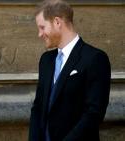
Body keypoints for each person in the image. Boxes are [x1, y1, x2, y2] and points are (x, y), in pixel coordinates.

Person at [29, 0, 111, 141]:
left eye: (42, 27)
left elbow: (93, 113)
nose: (39, 34)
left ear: (57, 22)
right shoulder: (46, 60)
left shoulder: (95, 58)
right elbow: (38, 108)